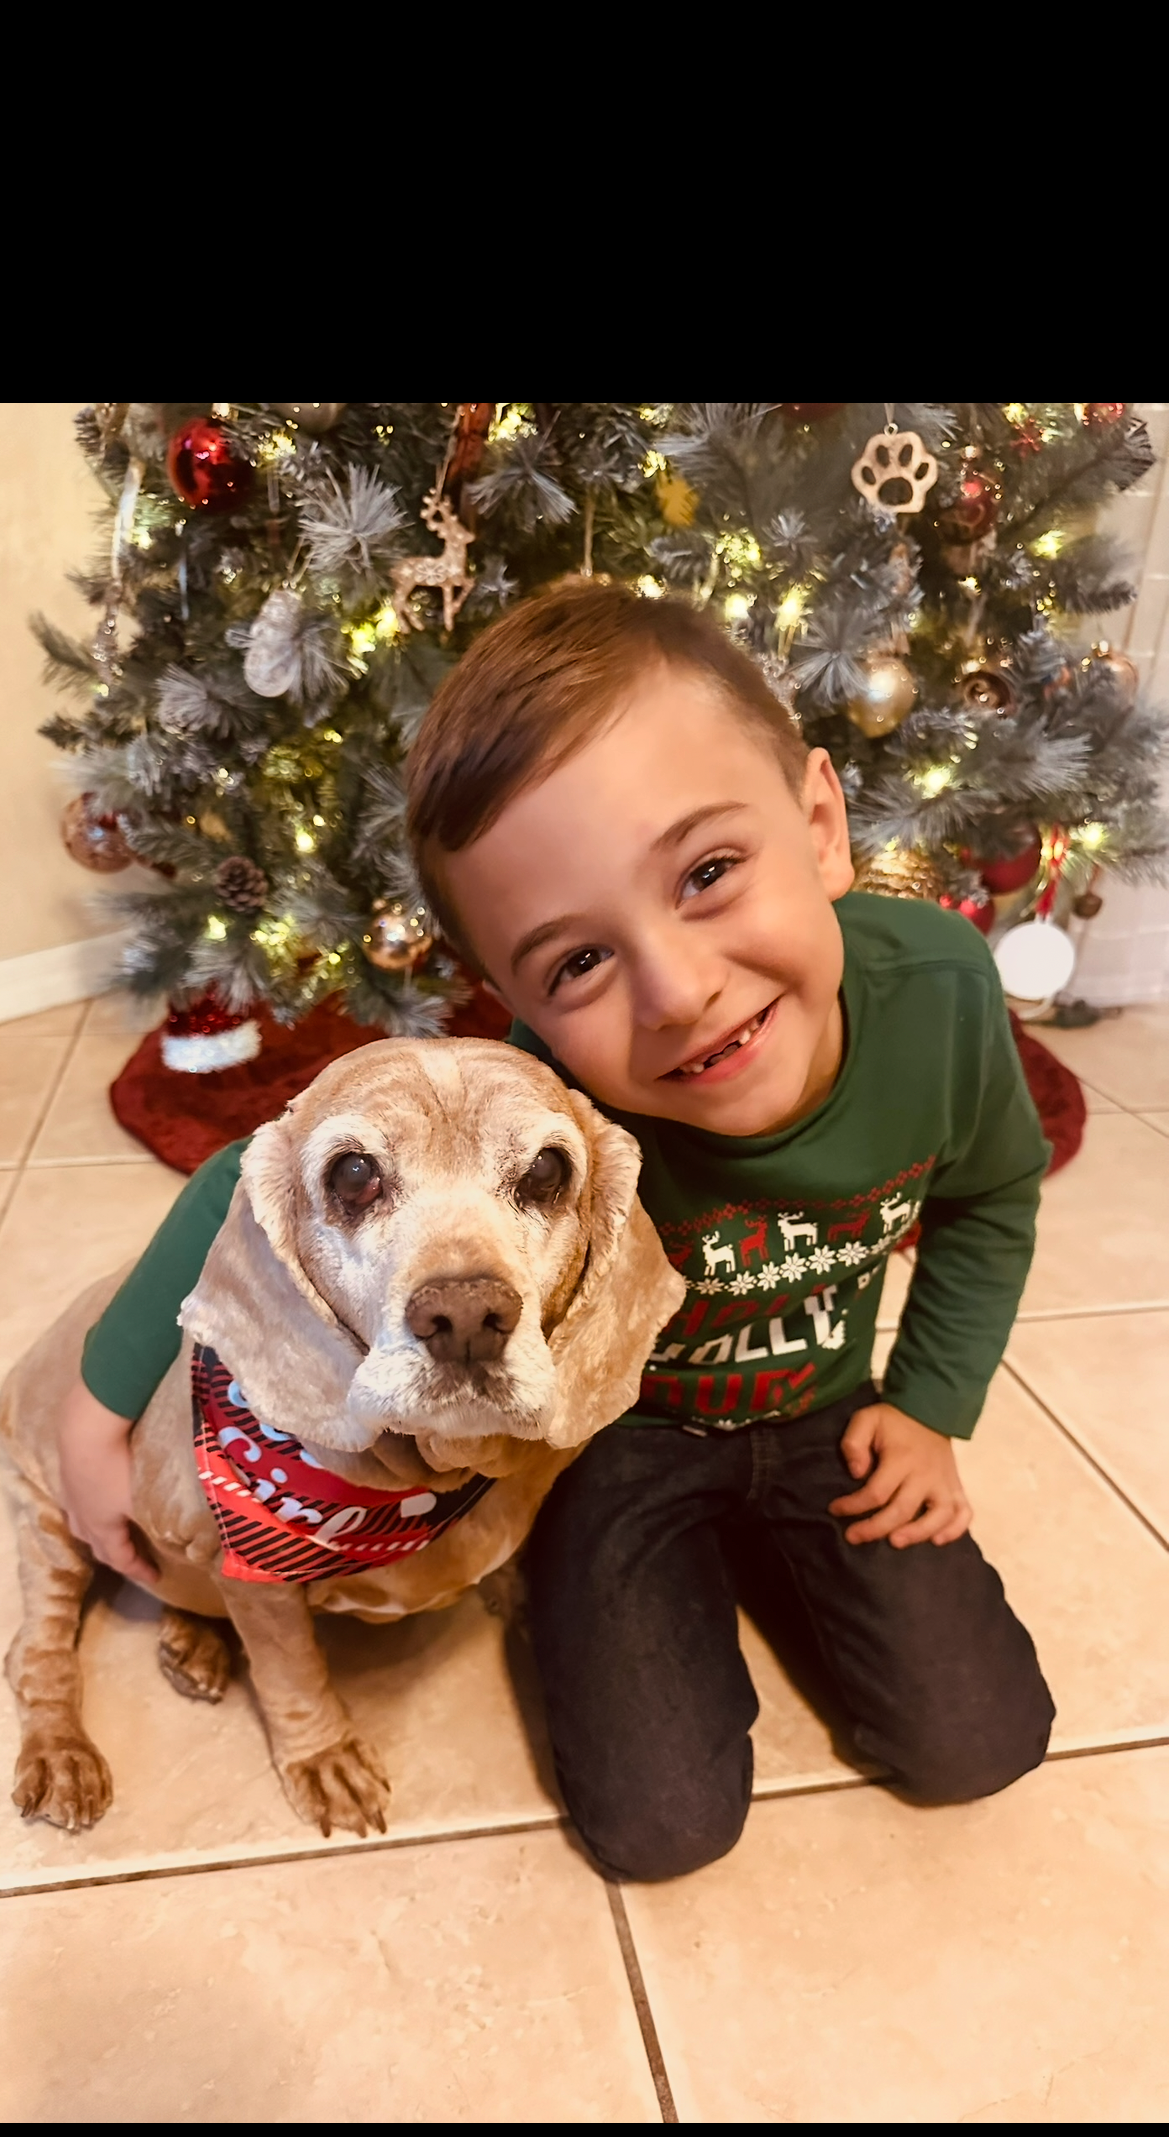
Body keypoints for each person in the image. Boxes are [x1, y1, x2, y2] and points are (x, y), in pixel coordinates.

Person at [60, 582, 1054, 1881]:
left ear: (819, 825)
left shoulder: (941, 996)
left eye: (708, 873)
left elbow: (992, 1197)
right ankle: (645, 1579)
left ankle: (775, 1552)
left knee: (980, 1739)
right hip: (609, 1435)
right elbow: (245, 1179)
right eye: (578, 962)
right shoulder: (545, 1089)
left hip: (825, 1412)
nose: (677, 992)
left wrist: (928, 1405)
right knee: (661, 1827)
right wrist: (93, 1417)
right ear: (515, 996)